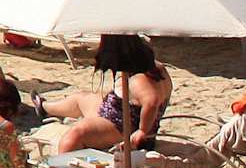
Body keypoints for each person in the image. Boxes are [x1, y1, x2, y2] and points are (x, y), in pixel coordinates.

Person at [39, 33, 170, 156]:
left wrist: (142, 130)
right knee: (81, 98)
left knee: (75, 134)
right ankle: (44, 107)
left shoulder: (139, 79)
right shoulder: (156, 68)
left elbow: (152, 101)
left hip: (121, 128)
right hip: (117, 112)